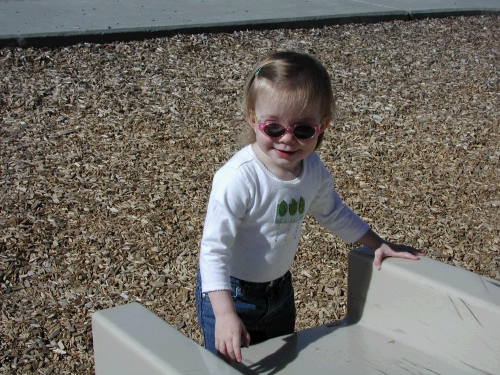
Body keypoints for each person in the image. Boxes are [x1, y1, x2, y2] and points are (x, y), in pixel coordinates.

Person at [195, 51, 424, 364]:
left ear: (322, 125)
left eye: (302, 129)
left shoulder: (311, 169)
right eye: (273, 128)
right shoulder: (239, 178)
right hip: (232, 295)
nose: (288, 139)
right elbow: (213, 250)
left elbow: (332, 212)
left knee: (281, 363)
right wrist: (224, 314)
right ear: (253, 119)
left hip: (279, 292)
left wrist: (377, 244)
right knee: (229, 368)